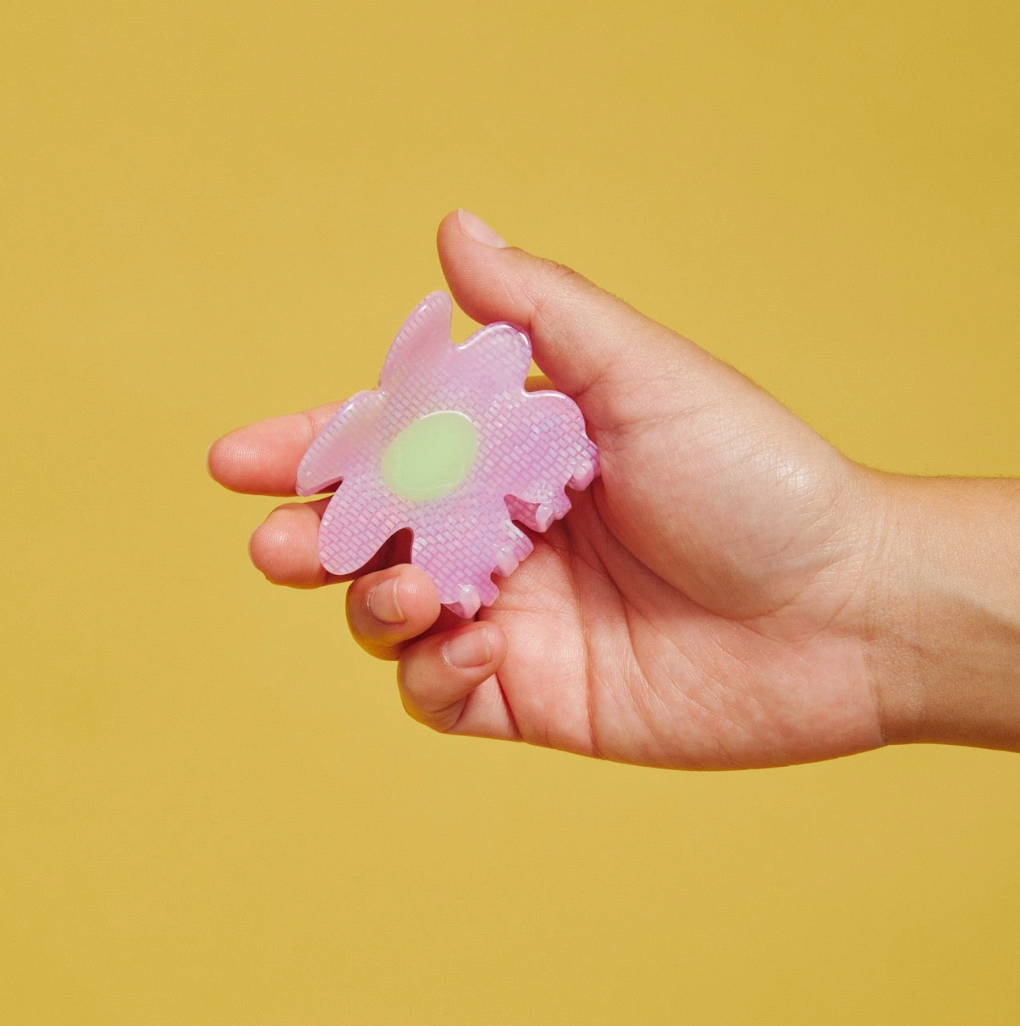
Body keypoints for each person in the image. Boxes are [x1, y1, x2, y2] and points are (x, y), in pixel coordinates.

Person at [207, 210, 1020, 768]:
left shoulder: (506, 411)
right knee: (427, 581)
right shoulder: (408, 470)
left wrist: (854, 587)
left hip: (500, 455)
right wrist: (857, 600)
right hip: (453, 498)